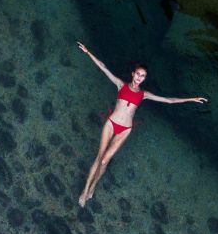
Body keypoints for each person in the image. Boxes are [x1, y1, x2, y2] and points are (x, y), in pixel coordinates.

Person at [76, 41, 208, 207]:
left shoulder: (144, 94)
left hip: (125, 129)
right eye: (138, 74)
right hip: (111, 124)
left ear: (144, 78)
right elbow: (103, 67)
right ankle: (85, 190)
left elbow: (168, 100)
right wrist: (88, 52)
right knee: (99, 157)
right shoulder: (121, 85)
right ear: (133, 74)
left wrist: (191, 99)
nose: (139, 77)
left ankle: (93, 186)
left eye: (143, 76)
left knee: (104, 162)